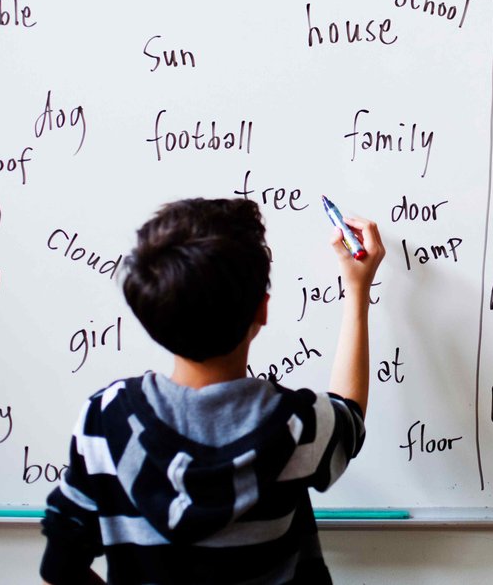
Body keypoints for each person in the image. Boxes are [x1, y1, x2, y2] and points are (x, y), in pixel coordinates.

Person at [39, 197, 384, 585]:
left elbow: (60, 567)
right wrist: (357, 292)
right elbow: (348, 415)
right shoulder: (297, 425)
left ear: (149, 316)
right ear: (263, 310)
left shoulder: (104, 420)